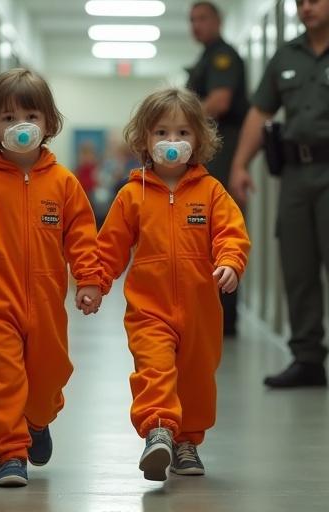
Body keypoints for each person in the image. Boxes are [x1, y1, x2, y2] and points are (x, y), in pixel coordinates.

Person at [0, 68, 102, 488]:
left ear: (48, 122)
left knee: (49, 375)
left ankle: (39, 419)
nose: (20, 127)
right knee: (3, 381)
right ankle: (11, 454)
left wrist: (89, 279)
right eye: (8, 119)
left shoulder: (64, 184)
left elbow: (82, 237)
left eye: (30, 116)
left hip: (48, 305)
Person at [97, 88, 250, 482]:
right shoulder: (132, 194)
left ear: (199, 138)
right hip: (149, 309)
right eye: (161, 132)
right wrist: (94, 282)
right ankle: (160, 430)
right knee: (154, 368)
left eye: (182, 133)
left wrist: (231, 262)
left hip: (201, 310)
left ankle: (187, 443)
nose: (172, 142)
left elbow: (231, 234)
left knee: (197, 378)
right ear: (144, 140)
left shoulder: (211, 192)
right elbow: (109, 246)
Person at [230, 0, 329, 388]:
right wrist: (240, 164)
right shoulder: (285, 55)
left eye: (314, 0)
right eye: (300, 2)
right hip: (294, 174)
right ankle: (307, 359)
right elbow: (260, 112)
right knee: (298, 265)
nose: (306, 7)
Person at [187, 1, 249, 336]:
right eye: (192, 20)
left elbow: (220, 101)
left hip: (223, 154)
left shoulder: (223, 56)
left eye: (202, 18)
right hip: (212, 153)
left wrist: (180, 119)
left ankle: (226, 318)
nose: (196, 25)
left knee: (223, 231)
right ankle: (212, 312)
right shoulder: (205, 58)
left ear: (218, 21)